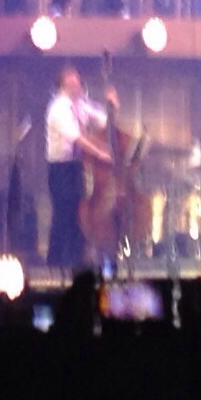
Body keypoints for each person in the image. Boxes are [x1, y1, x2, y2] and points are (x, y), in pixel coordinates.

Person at [43, 65, 115, 268]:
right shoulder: (58, 109)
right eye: (73, 85)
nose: (78, 88)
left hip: (75, 166)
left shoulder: (80, 105)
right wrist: (100, 153)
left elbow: (103, 120)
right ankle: (58, 262)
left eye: (78, 84)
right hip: (60, 168)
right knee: (64, 214)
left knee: (77, 213)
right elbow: (76, 138)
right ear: (63, 87)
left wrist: (111, 106)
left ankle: (72, 260)